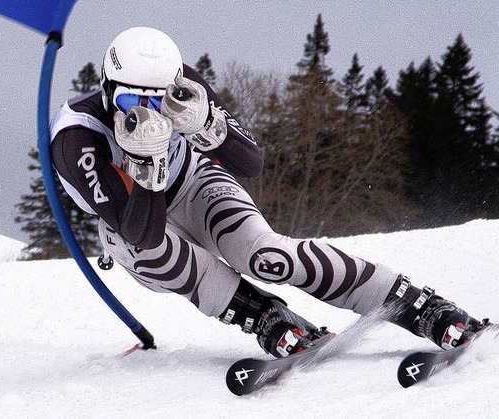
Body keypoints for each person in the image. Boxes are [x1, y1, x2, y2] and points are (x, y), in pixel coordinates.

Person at [50, 26, 486, 358]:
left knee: (265, 256)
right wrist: (147, 168)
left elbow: (251, 164)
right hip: (132, 219)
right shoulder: (76, 139)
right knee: (154, 252)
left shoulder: (184, 83)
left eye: (159, 101)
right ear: (108, 91)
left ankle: (409, 300)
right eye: (131, 103)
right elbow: (141, 232)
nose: (147, 116)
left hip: (194, 182)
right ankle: (260, 314)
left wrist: (207, 124)